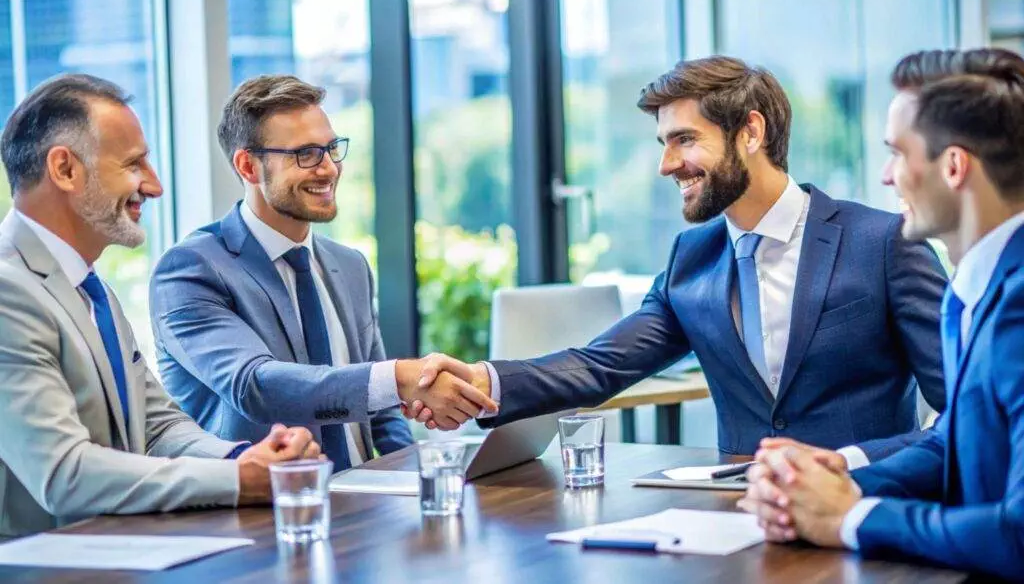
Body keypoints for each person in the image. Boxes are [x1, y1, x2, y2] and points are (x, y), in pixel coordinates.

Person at [408, 55, 946, 463]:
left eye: (684, 140)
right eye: (664, 143)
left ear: (751, 133)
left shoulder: (884, 242)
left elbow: (962, 408)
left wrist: (853, 464)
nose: (667, 165)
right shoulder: (694, 258)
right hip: (737, 521)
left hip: (868, 510)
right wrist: (483, 381)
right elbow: (602, 364)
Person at [739, 48, 1024, 579]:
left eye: (897, 153)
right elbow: (955, 440)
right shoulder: (974, 287)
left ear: (954, 165)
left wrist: (851, 518)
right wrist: (835, 479)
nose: (887, 176)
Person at [0, 74, 320, 538]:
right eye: (134, 165)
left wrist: (242, 458)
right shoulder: (9, 292)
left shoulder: (93, 290)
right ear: (65, 170)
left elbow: (156, 426)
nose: (154, 186)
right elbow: (63, 473)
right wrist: (239, 481)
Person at [150, 75, 497, 472]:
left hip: (364, 500)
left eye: (332, 148)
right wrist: (400, 376)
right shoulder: (190, 269)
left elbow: (382, 413)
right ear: (248, 165)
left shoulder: (349, 266)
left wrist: (415, 475)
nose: (329, 169)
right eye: (306, 154)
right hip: (264, 512)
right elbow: (255, 386)